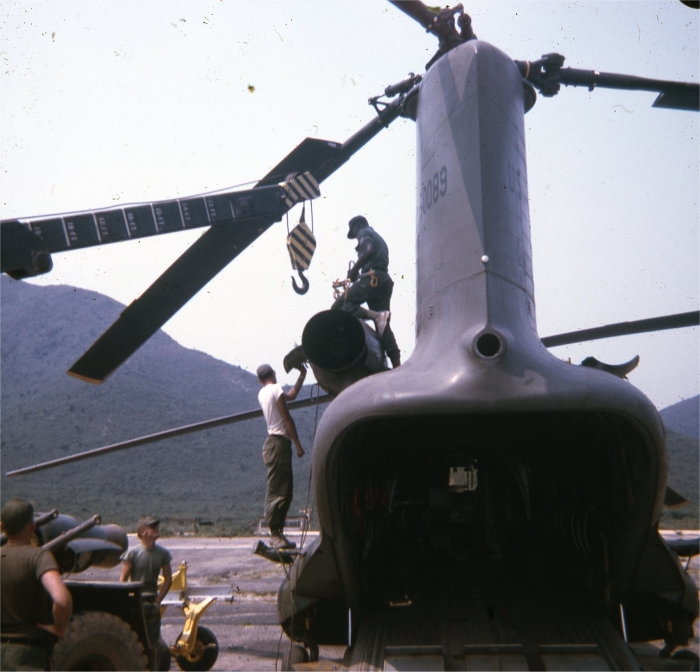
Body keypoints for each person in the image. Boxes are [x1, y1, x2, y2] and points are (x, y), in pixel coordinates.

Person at [1, 498, 73, 672]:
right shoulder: (39, 557)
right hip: (27, 657)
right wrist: (58, 628)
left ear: (2, 527)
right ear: (32, 527)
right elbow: (62, 600)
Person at [331, 215, 401, 368]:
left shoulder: (364, 232)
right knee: (383, 325)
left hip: (372, 278)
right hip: (383, 280)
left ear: (357, 227)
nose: (356, 236)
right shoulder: (380, 239)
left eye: (354, 232)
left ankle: (375, 315)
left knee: (339, 305)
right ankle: (397, 363)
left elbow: (368, 250)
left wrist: (355, 270)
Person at [256, 363, 306, 550]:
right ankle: (275, 534)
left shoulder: (263, 392)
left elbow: (290, 396)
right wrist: (298, 445)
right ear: (274, 374)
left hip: (274, 443)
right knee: (280, 491)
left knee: (282, 489)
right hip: (279, 443)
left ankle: (278, 533)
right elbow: (286, 418)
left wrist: (301, 376)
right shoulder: (276, 389)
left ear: (260, 380)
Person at [120, 517, 172, 651]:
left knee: (153, 643)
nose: (156, 529)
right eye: (152, 527)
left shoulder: (163, 554)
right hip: (136, 600)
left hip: (152, 601)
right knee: (134, 640)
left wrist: (158, 601)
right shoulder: (133, 553)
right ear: (143, 532)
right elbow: (123, 580)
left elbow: (168, 579)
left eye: (157, 527)